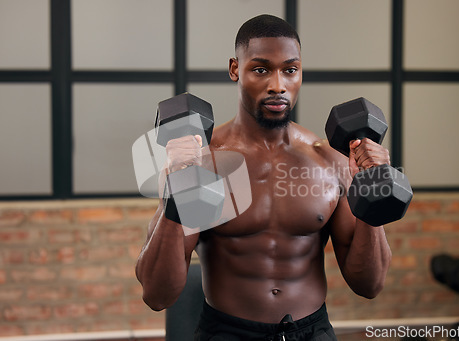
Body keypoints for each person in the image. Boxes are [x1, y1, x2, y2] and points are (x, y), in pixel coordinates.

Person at [136, 14, 392, 341]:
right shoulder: (201, 162)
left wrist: (371, 191)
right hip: (227, 333)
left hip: (311, 332)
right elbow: (157, 296)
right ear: (234, 69)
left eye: (290, 70)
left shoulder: (332, 161)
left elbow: (369, 285)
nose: (277, 85)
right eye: (261, 69)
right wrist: (175, 190)